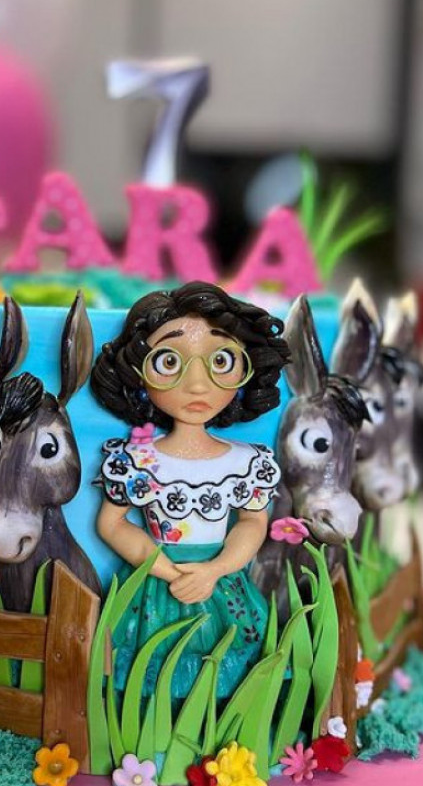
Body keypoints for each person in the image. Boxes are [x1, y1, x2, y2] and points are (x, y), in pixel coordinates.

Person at [90, 281, 290, 699]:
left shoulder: (245, 463)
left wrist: (214, 571)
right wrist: (168, 571)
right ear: (137, 371)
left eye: (221, 360)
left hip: (222, 584)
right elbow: (111, 524)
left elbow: (253, 523)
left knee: (224, 667)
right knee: (151, 670)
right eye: (169, 361)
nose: (197, 385)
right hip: (155, 585)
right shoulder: (136, 460)